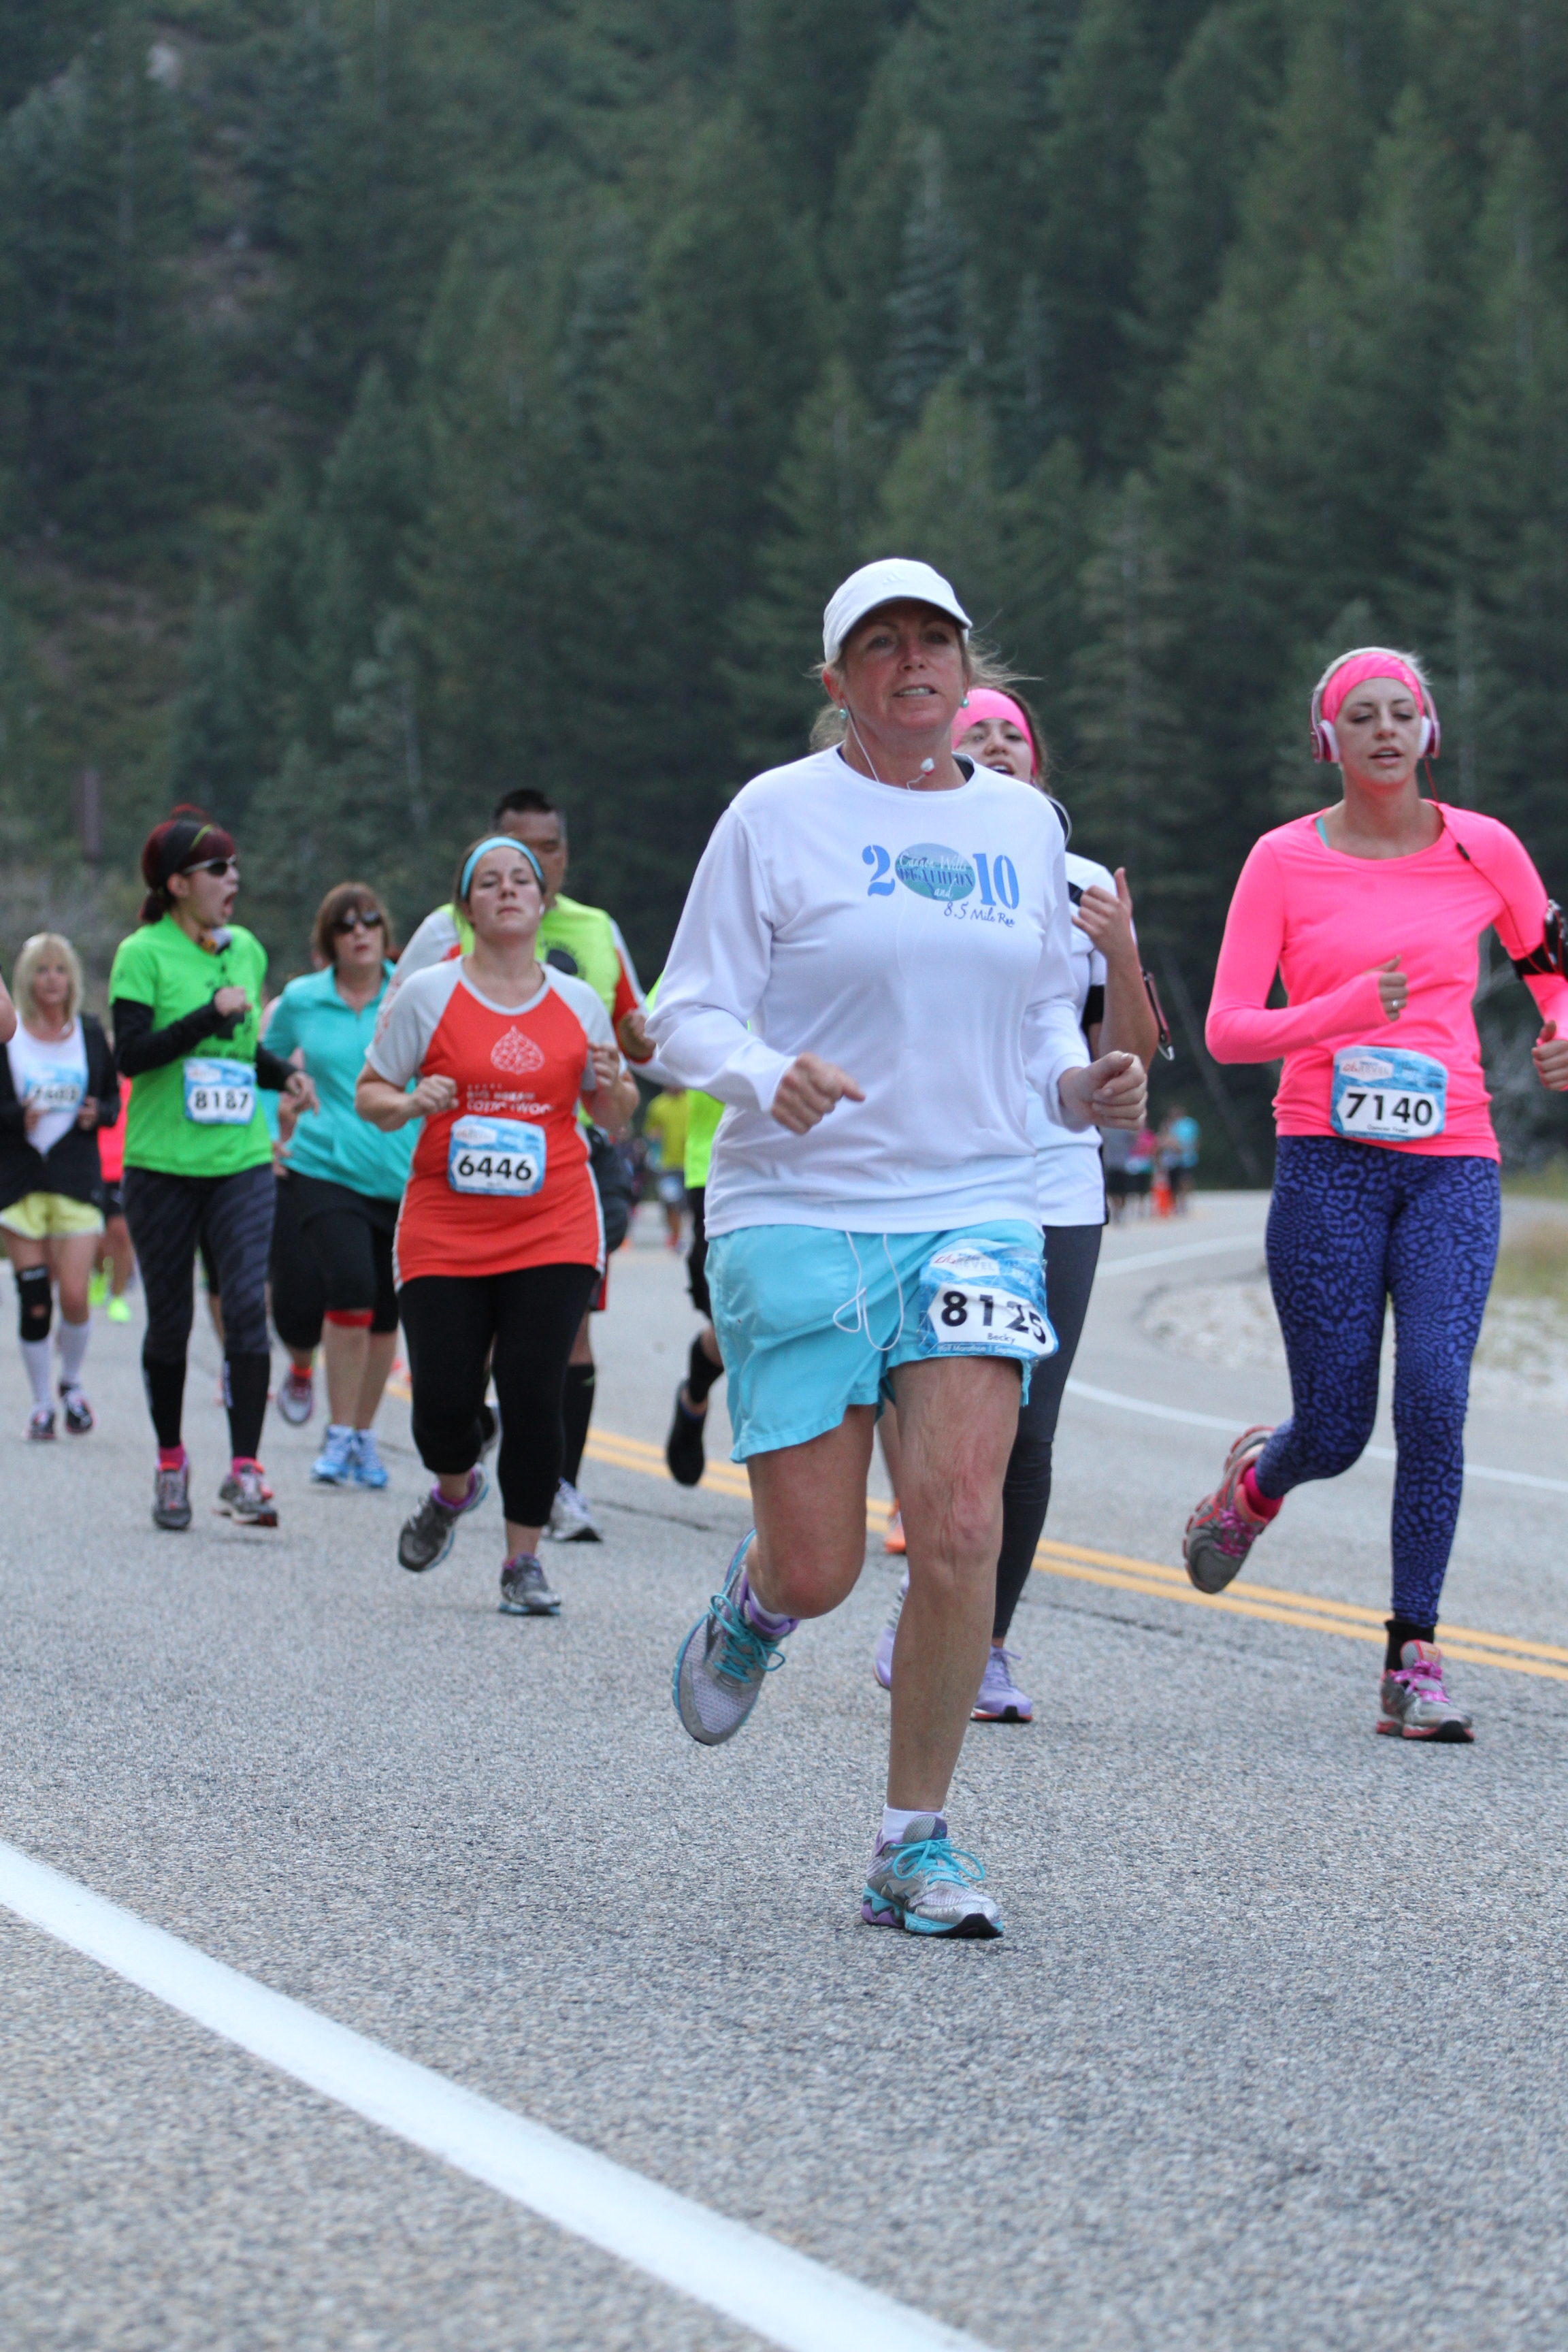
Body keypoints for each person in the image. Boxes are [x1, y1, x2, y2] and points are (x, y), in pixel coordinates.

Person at [646, 557, 1146, 1937]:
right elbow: (681, 1014)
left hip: (977, 1203)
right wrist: (766, 1074)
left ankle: (909, 1842)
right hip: (798, 1206)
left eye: (935, 640)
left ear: (965, 667)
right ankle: (757, 1606)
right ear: (836, 681)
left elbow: (1040, 1016)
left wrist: (1077, 1089)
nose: (912, 661)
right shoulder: (774, 815)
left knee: (963, 1522)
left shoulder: (1024, 825)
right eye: (881, 645)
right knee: (818, 1565)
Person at [1188, 646, 1568, 1741]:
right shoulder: (1282, 860)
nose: (1387, 730)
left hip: (1455, 1159)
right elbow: (1228, 1028)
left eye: (1404, 712)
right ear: (1330, 740)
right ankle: (1255, 1485)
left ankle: (1414, 1657)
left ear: (1429, 730)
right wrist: (1342, 1010)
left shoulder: (1484, 846)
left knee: (1436, 1400)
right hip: (1327, 1158)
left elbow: (1550, 969)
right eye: (1362, 716)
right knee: (1338, 1427)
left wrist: (1559, 1030)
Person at [872, 686, 1161, 1723]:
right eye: (976, 732)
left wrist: (1120, 950)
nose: (996, 744)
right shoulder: (900, 857)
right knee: (932, 1410)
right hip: (933, 1166)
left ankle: (983, 1642)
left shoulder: (1082, 884)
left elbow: (1130, 1056)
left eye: (1014, 734)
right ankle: (933, 1595)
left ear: (1038, 765)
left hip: (1055, 1173)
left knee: (1031, 1428)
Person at [357, 835, 636, 1611]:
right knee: (442, 1407)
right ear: (467, 908)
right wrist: (410, 1102)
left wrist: (614, 1085)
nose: (508, 890)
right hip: (445, 1227)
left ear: (542, 902)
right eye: (489, 882)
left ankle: (523, 1562)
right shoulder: (429, 993)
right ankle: (453, 1489)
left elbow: (612, 1112)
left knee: (533, 1389)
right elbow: (370, 1093)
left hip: (554, 1223)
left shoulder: (578, 1003)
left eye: (522, 880)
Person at [110, 809, 317, 1531]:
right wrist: (207, 1013)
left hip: (240, 1160)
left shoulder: (247, 949)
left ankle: (246, 1469)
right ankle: (172, 1462)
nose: (234, 879)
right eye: (219, 869)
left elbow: (234, 1052)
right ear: (177, 884)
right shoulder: (142, 953)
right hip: (162, 1164)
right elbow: (131, 1055)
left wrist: (282, 1076)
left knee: (245, 1307)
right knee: (169, 1323)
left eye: (235, 867)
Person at [265, 885, 414, 1488]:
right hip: (323, 1165)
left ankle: (362, 1437)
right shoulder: (302, 999)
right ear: (329, 939)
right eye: (346, 925)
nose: (360, 932)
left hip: (402, 1173)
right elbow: (262, 1063)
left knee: (385, 1310)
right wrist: (270, 1126)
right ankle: (336, 1431)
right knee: (352, 1286)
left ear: (384, 932)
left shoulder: (413, 992)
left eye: (370, 921)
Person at [0, 934, 119, 1438]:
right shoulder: (8, 1035)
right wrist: (17, 1116)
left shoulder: (89, 1034)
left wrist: (98, 1113)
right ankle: (40, 1402)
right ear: (26, 979)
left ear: (72, 979)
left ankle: (71, 1382)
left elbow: (112, 1100)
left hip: (75, 1177)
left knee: (73, 1293)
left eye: (60, 970)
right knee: (34, 1298)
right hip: (21, 1180)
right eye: (42, 970)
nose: (51, 980)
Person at [90, 1100, 137, 1322]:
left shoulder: (134, 1083)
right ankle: (99, 1274)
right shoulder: (97, 1081)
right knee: (95, 1238)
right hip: (91, 1167)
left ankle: (117, 1296)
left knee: (121, 1233)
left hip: (123, 1168)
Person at [642, 1085, 689, 1250]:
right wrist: (653, 1135)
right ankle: (676, 1237)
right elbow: (648, 1131)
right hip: (666, 1164)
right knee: (671, 1202)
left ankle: (683, 1234)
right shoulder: (657, 1105)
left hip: (690, 1163)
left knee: (685, 1205)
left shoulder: (691, 1102)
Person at [1160, 1105, 1200, 1211]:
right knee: (1173, 1183)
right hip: (1173, 1160)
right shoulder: (1168, 1124)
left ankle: (1184, 1201)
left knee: (1184, 1180)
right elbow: (1164, 1138)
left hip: (1187, 1158)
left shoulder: (1189, 1124)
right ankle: (1175, 1204)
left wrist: (1193, 1151)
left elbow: (1195, 1140)